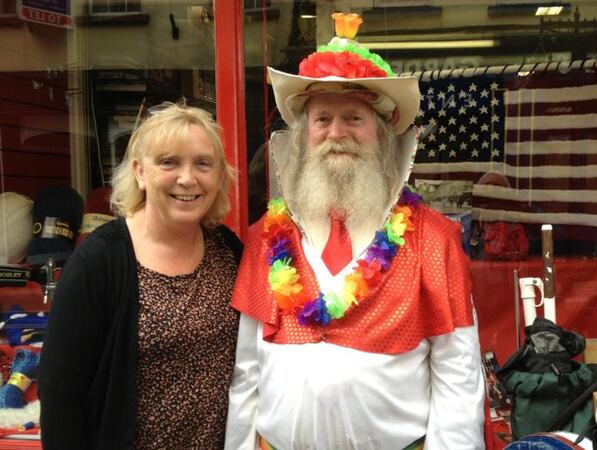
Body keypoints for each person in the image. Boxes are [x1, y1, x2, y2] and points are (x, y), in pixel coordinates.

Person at [225, 13, 485, 450]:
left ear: (383, 135)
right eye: (322, 119)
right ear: (304, 135)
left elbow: (457, 374)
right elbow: (246, 371)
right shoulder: (265, 237)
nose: (336, 133)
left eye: (354, 119)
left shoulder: (433, 239)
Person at [38, 102, 244, 449]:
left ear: (220, 174)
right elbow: (60, 396)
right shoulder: (100, 260)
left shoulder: (228, 250)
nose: (187, 178)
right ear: (139, 172)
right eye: (169, 162)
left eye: (203, 164)